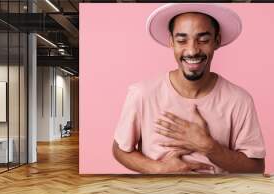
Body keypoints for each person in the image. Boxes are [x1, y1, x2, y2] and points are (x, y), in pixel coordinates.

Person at [112, 3, 266, 174]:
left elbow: (256, 168)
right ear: (171, 42)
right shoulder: (142, 94)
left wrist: (208, 147)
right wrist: (158, 169)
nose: (192, 50)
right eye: (181, 40)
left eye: (203, 39)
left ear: (217, 41)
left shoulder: (239, 100)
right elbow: (120, 149)